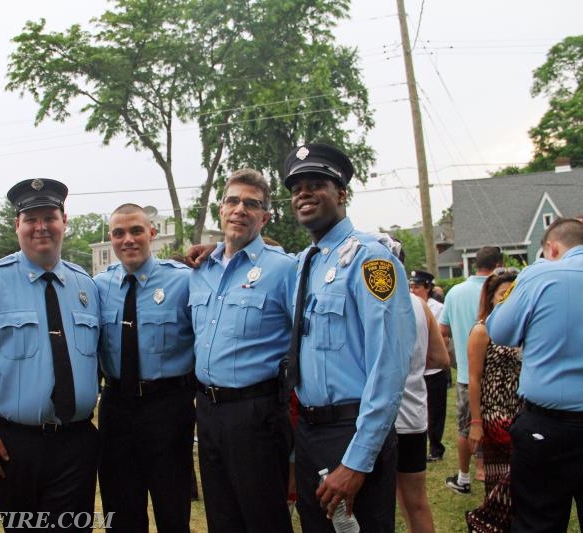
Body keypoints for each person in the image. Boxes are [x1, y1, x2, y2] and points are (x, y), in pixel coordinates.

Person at [284, 143, 414, 532]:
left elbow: (389, 367)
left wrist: (357, 461)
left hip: (352, 431)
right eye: (295, 188)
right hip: (309, 433)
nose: (303, 194)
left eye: (315, 184)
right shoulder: (305, 262)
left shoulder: (371, 259)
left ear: (342, 193)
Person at [0, 179, 100, 532]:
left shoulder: (87, 285)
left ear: (64, 220)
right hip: (13, 443)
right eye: (31, 218)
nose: (41, 227)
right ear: (17, 226)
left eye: (49, 217)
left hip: (75, 441)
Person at [189, 168, 295, 533]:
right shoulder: (200, 269)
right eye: (233, 200)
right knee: (222, 517)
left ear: (264, 217)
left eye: (252, 204)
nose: (240, 209)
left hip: (257, 414)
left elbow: (307, 339)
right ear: (221, 209)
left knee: (263, 518)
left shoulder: (285, 270)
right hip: (208, 411)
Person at [94, 203, 195, 533]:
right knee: (120, 508)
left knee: (172, 505)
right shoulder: (97, 287)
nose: (128, 240)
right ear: (110, 238)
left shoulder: (183, 282)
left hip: (167, 407)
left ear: (152, 233)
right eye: (119, 233)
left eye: (136, 230)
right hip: (116, 407)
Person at [487, 217, 583, 532]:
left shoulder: (540, 274)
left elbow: (499, 330)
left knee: (537, 522)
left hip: (548, 424)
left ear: (551, 248)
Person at [440, 245, 502, 494]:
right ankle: (492, 471)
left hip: (467, 374)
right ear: (498, 264)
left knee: (466, 427)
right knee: (500, 424)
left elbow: (443, 331)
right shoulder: (503, 290)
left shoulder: (455, 292)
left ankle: (465, 477)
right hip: (500, 372)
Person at [465, 269, 521, 532]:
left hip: (522, 411)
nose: (508, 299)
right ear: (490, 298)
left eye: (513, 293)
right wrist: (476, 422)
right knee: (502, 483)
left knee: (522, 484)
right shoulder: (482, 330)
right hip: (495, 413)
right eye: (503, 294)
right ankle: (485, 523)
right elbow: (473, 379)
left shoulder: (524, 328)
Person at [396, 290, 449, 533]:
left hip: (372, 417)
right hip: (411, 415)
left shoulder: (362, 297)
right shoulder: (418, 304)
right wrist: (412, 367)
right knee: (416, 501)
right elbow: (440, 358)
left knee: (375, 503)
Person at [410, 270, 450, 462]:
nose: (413, 289)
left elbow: (443, 338)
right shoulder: (410, 304)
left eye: (417, 286)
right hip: (417, 368)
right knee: (419, 409)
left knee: (435, 411)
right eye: (412, 286)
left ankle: (435, 447)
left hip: (433, 368)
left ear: (427, 287)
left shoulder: (438, 308)